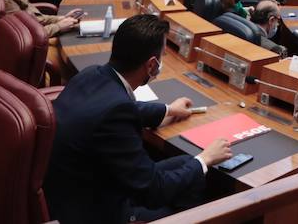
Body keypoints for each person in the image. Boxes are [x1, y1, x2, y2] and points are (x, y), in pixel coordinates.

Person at [45, 14, 231, 224]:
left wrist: (168, 110)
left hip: (74, 186)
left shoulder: (91, 75)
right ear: (151, 65)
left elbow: (120, 108)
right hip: (96, 211)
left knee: (186, 162)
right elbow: (153, 192)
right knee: (196, 176)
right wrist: (205, 159)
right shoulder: (116, 113)